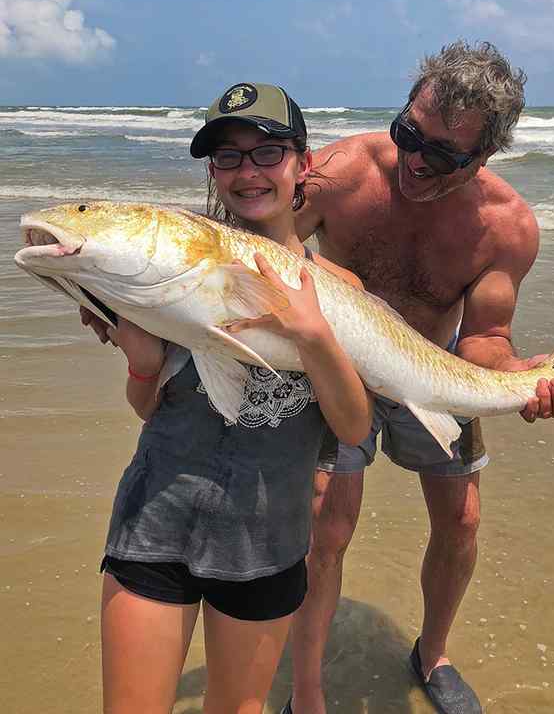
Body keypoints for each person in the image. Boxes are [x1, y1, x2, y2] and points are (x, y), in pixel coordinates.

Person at [282, 42, 554, 714]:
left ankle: (433, 653)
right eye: (409, 134)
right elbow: (262, 249)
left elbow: (486, 338)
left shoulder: (505, 227)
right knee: (327, 523)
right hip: (342, 367)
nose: (416, 161)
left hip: (435, 365)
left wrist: (520, 376)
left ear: (486, 155)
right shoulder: (339, 173)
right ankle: (307, 688)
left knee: (462, 520)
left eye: (444, 156)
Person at [81, 82, 373, 714]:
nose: (248, 172)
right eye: (228, 157)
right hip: (155, 518)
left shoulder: (339, 290)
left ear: (304, 164)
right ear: (213, 171)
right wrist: (140, 361)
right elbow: (150, 407)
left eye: (267, 153)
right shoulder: (175, 261)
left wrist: (315, 336)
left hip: (265, 540)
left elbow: (353, 428)